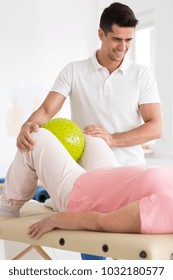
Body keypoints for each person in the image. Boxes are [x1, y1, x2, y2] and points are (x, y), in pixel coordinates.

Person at [15, 2, 162, 259]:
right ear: (101, 34)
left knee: (123, 258)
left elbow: (155, 127)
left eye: (129, 40)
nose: (123, 47)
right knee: (92, 254)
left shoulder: (142, 75)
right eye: (117, 38)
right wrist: (28, 125)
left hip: (130, 179)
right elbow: (47, 110)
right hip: (88, 177)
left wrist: (113, 139)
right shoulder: (74, 71)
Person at [0, 129, 173, 243]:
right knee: (91, 135)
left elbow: (102, 222)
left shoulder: (166, 209)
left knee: (35, 138)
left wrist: (57, 220)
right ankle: (53, 197)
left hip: (79, 195)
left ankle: (8, 204)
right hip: (106, 175)